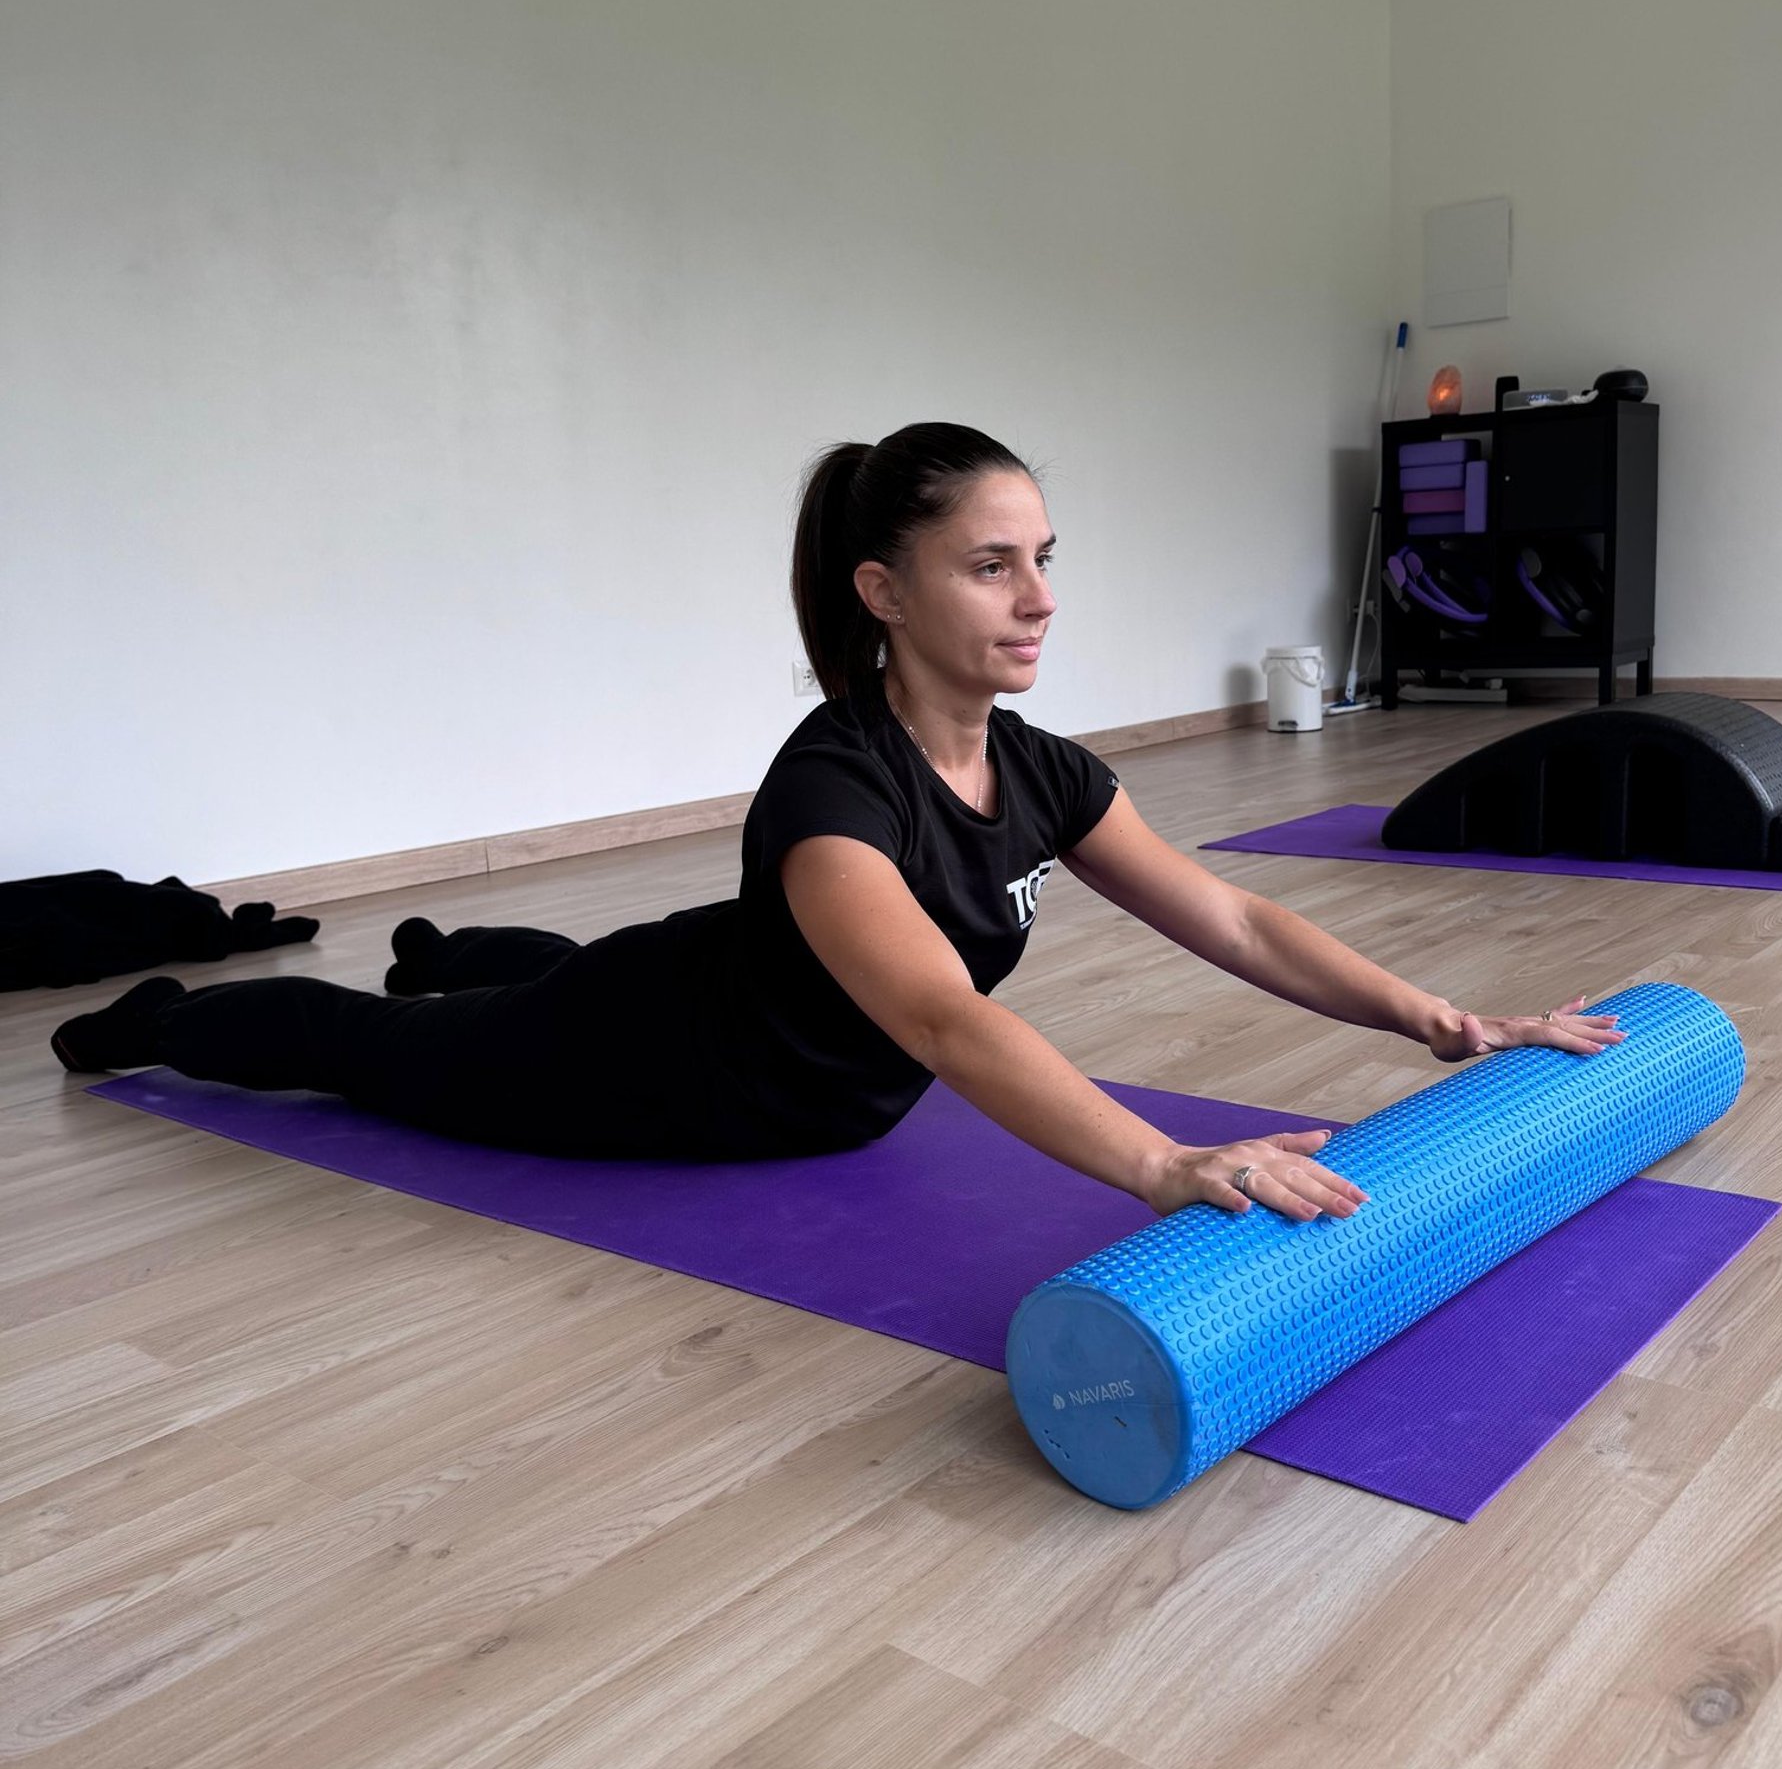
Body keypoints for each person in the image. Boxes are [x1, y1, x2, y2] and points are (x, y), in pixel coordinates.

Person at [52, 422, 1622, 1216]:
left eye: (1045, 556)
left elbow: (1235, 915)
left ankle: (449, 943)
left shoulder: (1041, 770)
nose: (1040, 600)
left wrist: (1446, 1021)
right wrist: (1165, 1169)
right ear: (887, 591)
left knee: (585, 961)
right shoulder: (831, 801)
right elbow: (943, 1021)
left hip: (741, 1001)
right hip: (658, 1072)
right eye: (991, 564)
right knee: (367, 1058)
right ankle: (169, 1013)